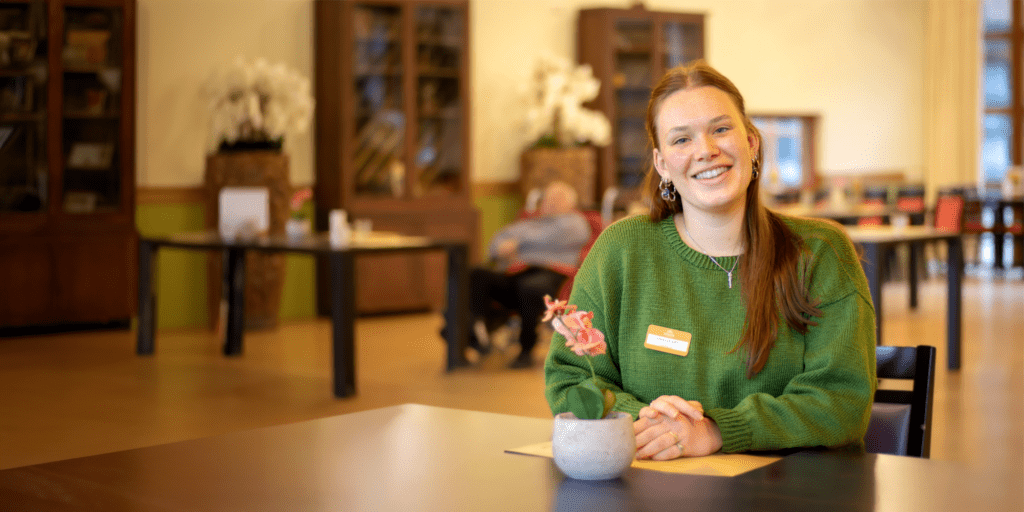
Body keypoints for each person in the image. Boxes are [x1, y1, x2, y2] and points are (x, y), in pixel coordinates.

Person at [544, 61, 877, 458]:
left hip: (787, 492)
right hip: (652, 489)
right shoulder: (621, 250)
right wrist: (650, 422)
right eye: (681, 139)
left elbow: (841, 401)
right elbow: (570, 379)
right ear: (662, 163)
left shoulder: (821, 252)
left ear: (751, 143)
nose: (706, 150)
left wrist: (715, 431)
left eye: (721, 129)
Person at [470, 181, 592, 369]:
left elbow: (556, 236)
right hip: (516, 273)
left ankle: (526, 350)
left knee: (530, 287)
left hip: (552, 274)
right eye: (548, 198)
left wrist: (518, 243)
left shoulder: (575, 222)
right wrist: (500, 248)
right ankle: (477, 330)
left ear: (570, 204)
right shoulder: (528, 223)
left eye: (558, 199)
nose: (551, 202)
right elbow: (494, 244)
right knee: (477, 274)